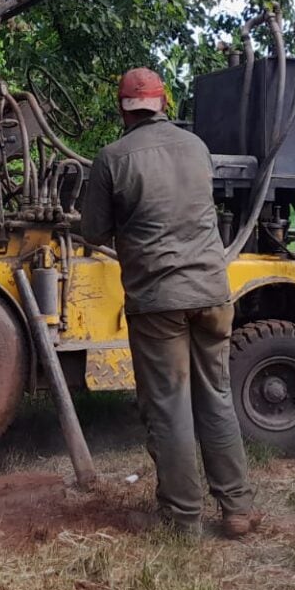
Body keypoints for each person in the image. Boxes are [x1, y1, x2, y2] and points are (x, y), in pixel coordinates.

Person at [80, 66, 258, 539]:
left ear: (122, 107)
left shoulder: (112, 157)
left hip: (159, 300)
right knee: (215, 396)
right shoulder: (197, 147)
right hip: (212, 293)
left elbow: (93, 231)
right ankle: (236, 507)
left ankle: (184, 520)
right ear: (164, 103)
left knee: (170, 405)